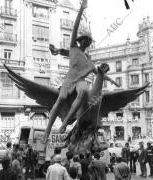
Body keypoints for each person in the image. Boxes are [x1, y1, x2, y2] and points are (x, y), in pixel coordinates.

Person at [42, 0, 118, 142]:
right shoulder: (73, 48)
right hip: (69, 80)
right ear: (80, 40)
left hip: (80, 82)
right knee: (61, 99)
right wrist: (81, 10)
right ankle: (47, 131)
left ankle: (65, 124)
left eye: (88, 41)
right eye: (84, 40)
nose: (86, 42)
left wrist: (111, 80)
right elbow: (75, 28)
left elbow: (98, 73)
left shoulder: (88, 59)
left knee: (83, 91)